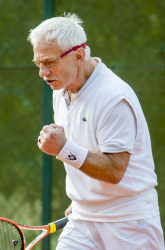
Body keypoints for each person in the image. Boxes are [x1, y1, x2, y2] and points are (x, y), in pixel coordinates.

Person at [28, 13, 165, 249]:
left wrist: (63, 148)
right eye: (38, 63)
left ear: (79, 56)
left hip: (130, 223)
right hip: (82, 220)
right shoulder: (59, 89)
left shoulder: (113, 98)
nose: (42, 72)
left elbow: (114, 170)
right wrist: (85, 201)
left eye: (49, 62)